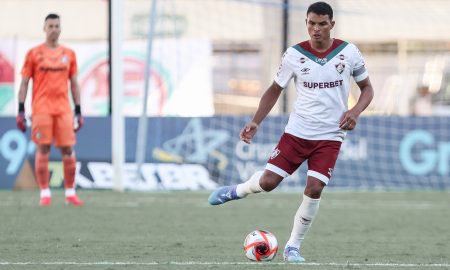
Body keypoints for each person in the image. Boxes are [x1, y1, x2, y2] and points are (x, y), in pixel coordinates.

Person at [208, 1, 374, 263]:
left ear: (332, 24)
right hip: (297, 133)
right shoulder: (294, 55)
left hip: (330, 136)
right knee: (268, 184)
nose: (315, 29)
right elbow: (275, 89)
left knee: (315, 187)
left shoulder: (349, 52)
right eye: (311, 23)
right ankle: (237, 190)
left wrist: (354, 112)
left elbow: (367, 89)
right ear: (306, 23)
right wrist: (256, 121)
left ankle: (292, 247)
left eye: (321, 24)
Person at [16, 13, 84, 206]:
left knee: (68, 149)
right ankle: (45, 193)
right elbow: (24, 83)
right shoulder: (33, 53)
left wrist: (78, 110)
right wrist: (21, 110)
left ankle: (70, 192)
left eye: (57, 26)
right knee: (43, 148)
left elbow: (74, 84)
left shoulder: (69, 54)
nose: (54, 29)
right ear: (44, 29)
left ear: (60, 29)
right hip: (41, 109)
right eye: (50, 26)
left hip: (63, 110)